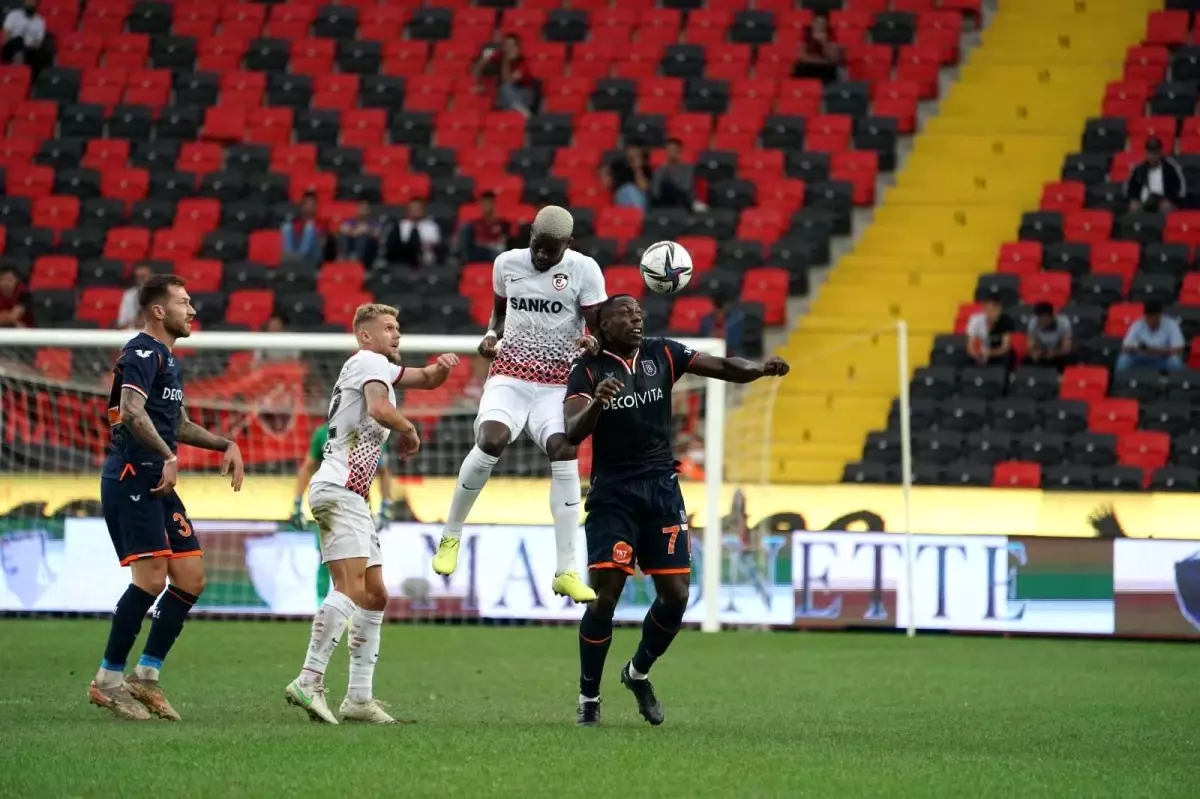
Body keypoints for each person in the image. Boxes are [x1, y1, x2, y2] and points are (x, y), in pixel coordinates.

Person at [563, 295, 789, 726]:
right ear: (603, 325)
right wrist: (596, 402)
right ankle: (588, 697)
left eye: (638, 315)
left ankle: (637, 673)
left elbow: (721, 367)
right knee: (605, 597)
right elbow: (572, 432)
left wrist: (758, 369)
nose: (636, 321)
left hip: (662, 491)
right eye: (625, 316)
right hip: (613, 494)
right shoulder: (587, 370)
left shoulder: (662, 351)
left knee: (677, 596)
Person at [285, 304, 459, 724]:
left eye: (398, 327)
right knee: (347, 588)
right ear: (365, 336)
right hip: (340, 487)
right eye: (387, 327)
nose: (396, 333)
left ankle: (358, 698)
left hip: (353, 496)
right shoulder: (367, 362)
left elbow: (426, 379)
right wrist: (410, 429)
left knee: (375, 593)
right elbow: (380, 410)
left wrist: (443, 368)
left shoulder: (378, 368)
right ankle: (308, 681)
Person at [431, 206, 606, 604]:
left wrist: (592, 344)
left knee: (564, 448)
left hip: (558, 382)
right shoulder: (506, 263)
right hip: (510, 374)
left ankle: (566, 570)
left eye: (551, 251)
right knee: (491, 440)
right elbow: (498, 316)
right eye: (537, 247)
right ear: (529, 234)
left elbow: (597, 329)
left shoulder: (585, 270)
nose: (541, 257)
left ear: (568, 244)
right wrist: (490, 336)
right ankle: (451, 536)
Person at [90, 274, 246, 721]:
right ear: (159, 311)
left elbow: (175, 423)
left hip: (157, 479)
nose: (192, 309)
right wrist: (167, 457)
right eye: (184, 301)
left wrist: (225, 444)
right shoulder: (141, 351)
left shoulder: (168, 359)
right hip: (132, 476)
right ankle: (107, 680)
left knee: (191, 578)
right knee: (151, 580)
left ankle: (147, 675)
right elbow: (133, 413)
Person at [290, 424, 397, 604]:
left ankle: (354, 607)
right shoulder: (323, 433)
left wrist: (386, 505)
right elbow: (308, 467)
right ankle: (322, 607)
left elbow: (384, 471)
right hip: (330, 505)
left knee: (359, 560)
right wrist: (297, 502)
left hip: (359, 507)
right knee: (329, 559)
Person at [475, 33, 537, 117]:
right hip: (504, 95)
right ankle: (511, 110)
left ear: (518, 48)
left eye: (511, 46)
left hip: (524, 93)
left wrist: (505, 61)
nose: (508, 49)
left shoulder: (523, 63)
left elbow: (507, 80)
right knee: (498, 90)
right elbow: (477, 69)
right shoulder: (500, 54)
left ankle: (520, 110)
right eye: (506, 45)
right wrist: (484, 60)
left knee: (505, 87)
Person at [1117, 299, 1186, 373]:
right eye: (1148, 317)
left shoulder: (1171, 324)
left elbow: (1179, 350)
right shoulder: (1138, 324)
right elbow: (1124, 347)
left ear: (1159, 316)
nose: (1150, 320)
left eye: (1153, 317)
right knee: (1123, 361)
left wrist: (1155, 351)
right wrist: (1134, 349)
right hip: (1141, 357)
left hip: (1162, 358)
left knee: (1174, 363)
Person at [1126, 136, 1186, 214]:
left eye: (1155, 153)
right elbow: (1131, 190)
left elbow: (1180, 191)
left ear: (1160, 153)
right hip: (1144, 203)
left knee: (1165, 207)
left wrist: (1170, 200)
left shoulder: (1170, 169)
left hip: (1164, 202)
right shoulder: (1139, 170)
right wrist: (1134, 200)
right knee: (1134, 207)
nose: (1152, 156)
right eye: (1150, 153)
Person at [1, 0, 50, 81]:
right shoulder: (14, 15)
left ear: (37, 4)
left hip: (29, 48)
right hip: (12, 45)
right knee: (18, 40)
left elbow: (38, 42)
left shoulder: (40, 21)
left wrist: (27, 44)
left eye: (32, 2)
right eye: (28, 2)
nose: (30, 4)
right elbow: (6, 34)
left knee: (39, 52)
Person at [386, 198, 441, 268]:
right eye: (413, 208)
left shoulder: (431, 226)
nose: (416, 210)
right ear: (408, 210)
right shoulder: (400, 225)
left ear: (424, 210)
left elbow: (436, 243)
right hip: (402, 255)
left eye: (419, 208)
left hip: (424, 255)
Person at [458, 191, 511, 262]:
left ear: (493, 204)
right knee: (466, 229)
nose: (486, 205)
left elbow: (503, 242)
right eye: (484, 202)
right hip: (479, 252)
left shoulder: (502, 223)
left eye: (489, 202)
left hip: (495, 252)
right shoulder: (476, 224)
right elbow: (476, 242)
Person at [791, 14, 843, 85]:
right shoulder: (805, 41)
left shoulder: (832, 42)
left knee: (831, 69)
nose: (819, 26)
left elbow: (834, 59)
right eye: (817, 23)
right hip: (809, 69)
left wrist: (823, 43)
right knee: (800, 67)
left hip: (825, 71)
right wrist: (824, 60)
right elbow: (802, 58)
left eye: (822, 24)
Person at [651, 139, 699, 211]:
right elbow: (655, 192)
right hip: (664, 204)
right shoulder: (660, 171)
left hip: (683, 203)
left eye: (674, 150)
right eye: (669, 150)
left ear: (680, 151)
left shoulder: (688, 169)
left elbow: (686, 187)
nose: (672, 153)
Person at [966, 299, 1014, 368]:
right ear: (985, 310)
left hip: (997, 353)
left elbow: (1005, 347)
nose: (996, 313)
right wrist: (976, 355)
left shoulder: (1006, 320)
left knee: (1007, 357)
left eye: (998, 310)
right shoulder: (975, 320)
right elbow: (970, 346)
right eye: (992, 310)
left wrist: (989, 353)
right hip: (981, 351)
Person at [1026, 301, 1073, 370]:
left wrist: (1056, 353)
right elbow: (1030, 344)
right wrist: (1034, 352)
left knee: (1069, 358)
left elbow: (1066, 348)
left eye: (1043, 319)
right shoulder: (1033, 322)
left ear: (1050, 317)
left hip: (1058, 352)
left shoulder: (1063, 323)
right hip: (1041, 351)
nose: (1040, 321)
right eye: (1039, 318)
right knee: (1027, 361)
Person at [281, 191, 325, 265]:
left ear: (316, 207)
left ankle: (300, 256)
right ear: (302, 207)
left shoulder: (321, 224)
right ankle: (288, 256)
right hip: (294, 253)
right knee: (286, 227)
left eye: (311, 205)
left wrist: (314, 233)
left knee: (309, 227)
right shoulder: (297, 223)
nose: (308, 208)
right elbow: (294, 240)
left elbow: (322, 243)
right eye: (306, 205)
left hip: (312, 255)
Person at [336, 200, 384, 267]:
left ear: (369, 211)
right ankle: (344, 257)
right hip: (351, 245)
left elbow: (377, 234)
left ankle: (358, 261)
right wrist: (354, 231)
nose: (362, 211)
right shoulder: (352, 220)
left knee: (362, 238)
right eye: (360, 208)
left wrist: (367, 231)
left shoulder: (374, 222)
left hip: (368, 249)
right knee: (342, 236)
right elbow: (343, 228)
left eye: (365, 209)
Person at [117, 263, 153, 330]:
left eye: (143, 276)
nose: (141, 280)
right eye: (138, 277)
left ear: (151, 277)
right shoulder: (129, 295)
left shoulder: (160, 295)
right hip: (132, 332)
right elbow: (121, 323)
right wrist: (133, 324)